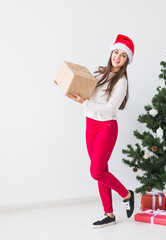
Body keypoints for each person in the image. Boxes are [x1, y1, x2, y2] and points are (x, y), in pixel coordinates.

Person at [55, 34, 135, 228]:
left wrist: (85, 102)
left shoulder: (121, 81)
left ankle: (126, 194)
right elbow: (85, 94)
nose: (117, 57)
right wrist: (68, 86)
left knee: (96, 171)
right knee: (101, 171)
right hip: (90, 125)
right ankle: (109, 214)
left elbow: (110, 109)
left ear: (126, 61)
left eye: (123, 55)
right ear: (111, 53)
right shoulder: (98, 73)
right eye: (116, 52)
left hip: (106, 127)